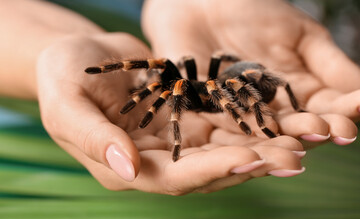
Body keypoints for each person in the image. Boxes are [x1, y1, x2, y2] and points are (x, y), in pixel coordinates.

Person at [0, 0, 357, 195]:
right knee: (176, 72)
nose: (169, 95)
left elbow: (226, 83)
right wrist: (44, 50)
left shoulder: (221, 85)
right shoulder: (179, 81)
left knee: (222, 83)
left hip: (242, 81)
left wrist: (258, 126)